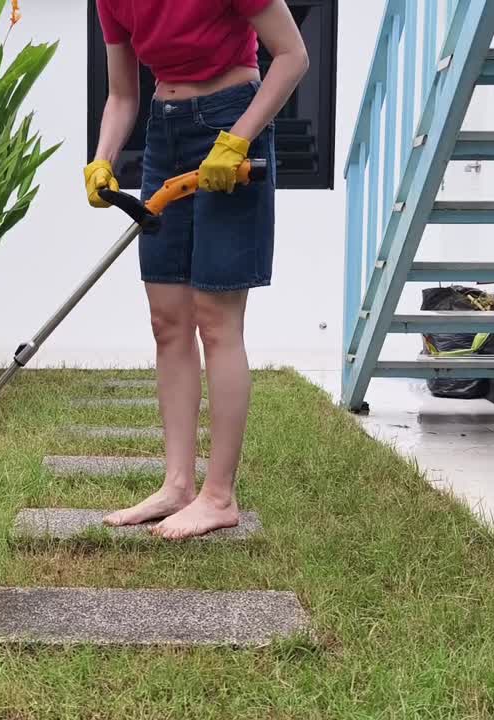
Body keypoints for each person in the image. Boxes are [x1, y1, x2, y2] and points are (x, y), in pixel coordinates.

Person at [88, 1, 308, 539]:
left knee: (216, 318)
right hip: (165, 135)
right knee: (167, 320)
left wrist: (239, 139)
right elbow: (122, 94)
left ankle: (219, 496)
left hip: (232, 117)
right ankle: (178, 484)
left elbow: (293, 56)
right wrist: (102, 158)